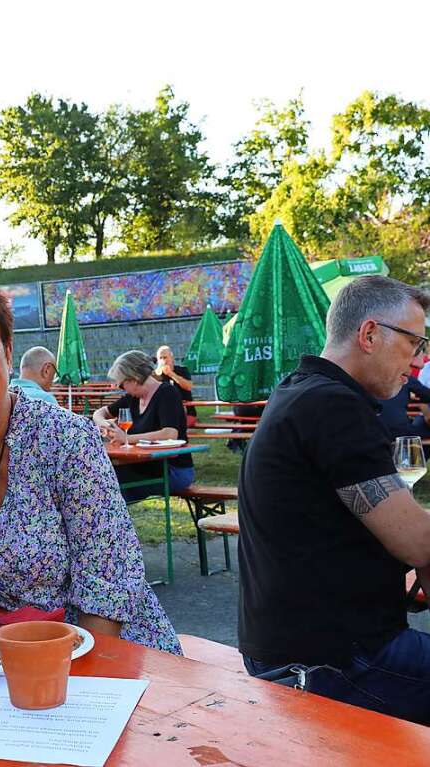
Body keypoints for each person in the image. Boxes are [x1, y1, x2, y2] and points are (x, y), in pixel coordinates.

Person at [0, 273, 180, 654]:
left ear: (8, 354)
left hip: (109, 661)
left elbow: (107, 597)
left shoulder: (68, 441)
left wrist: (44, 683)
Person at [237, 275, 430, 725]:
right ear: (369, 334)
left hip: (291, 647)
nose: (419, 361)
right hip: (329, 663)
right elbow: (416, 542)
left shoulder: (301, 391)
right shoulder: (334, 407)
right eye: (415, 344)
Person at [93, 351, 195, 503]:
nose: (122, 389)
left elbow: (169, 434)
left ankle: (115, 522)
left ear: (134, 379)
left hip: (173, 470)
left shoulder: (167, 393)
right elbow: (99, 413)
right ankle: (114, 521)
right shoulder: (132, 398)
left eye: (122, 385)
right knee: (103, 475)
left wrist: (126, 438)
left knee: (110, 481)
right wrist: (104, 423)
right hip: (145, 466)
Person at [377, 374, 430, 440]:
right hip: (399, 430)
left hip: (370, 430)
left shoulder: (365, 377)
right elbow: (427, 395)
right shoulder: (404, 377)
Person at [155, 345, 196, 426]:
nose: (163, 360)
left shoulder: (182, 370)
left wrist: (171, 374)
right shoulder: (155, 375)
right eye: (160, 358)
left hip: (186, 412)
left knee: (175, 427)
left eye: (165, 357)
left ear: (172, 358)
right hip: (165, 413)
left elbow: (189, 386)